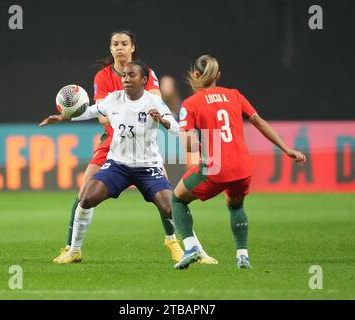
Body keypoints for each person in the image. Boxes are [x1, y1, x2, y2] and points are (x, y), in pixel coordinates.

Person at [40, 61, 217, 264]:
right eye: (124, 75)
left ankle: (198, 251)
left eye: (131, 75)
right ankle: (75, 250)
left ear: (143, 80)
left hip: (148, 167)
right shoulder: (113, 99)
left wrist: (164, 121)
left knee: (170, 207)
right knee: (87, 198)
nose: (126, 79)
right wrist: (63, 117)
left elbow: (176, 128)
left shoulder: (154, 102)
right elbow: (91, 111)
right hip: (118, 165)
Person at [52, 30, 184, 263]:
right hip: (112, 141)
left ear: (133, 47)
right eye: (115, 44)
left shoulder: (145, 72)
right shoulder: (102, 77)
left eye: (124, 43)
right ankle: (71, 247)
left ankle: (172, 241)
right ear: (111, 49)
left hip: (143, 143)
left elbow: (153, 100)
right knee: (84, 193)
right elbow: (102, 116)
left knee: (165, 196)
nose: (119, 47)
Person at [172, 55, 307, 270]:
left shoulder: (190, 104)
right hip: (243, 167)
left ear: (195, 75)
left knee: (177, 199)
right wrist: (287, 149)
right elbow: (259, 122)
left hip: (216, 168)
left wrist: (183, 133)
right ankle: (242, 255)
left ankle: (190, 247)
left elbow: (191, 147)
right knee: (235, 205)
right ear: (218, 75)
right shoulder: (234, 95)